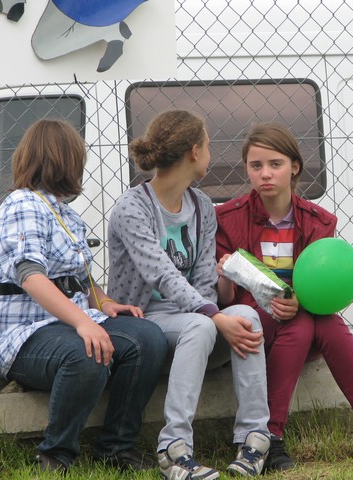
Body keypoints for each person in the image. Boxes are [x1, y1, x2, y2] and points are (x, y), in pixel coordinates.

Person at [0, 119, 168, 473]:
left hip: (66, 324)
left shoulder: (65, 212)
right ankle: (55, 454)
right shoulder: (23, 204)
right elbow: (31, 277)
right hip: (23, 333)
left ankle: (115, 447)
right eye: (78, 158)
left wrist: (106, 304)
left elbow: (82, 281)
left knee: (148, 338)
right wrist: (84, 323)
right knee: (87, 352)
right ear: (63, 160)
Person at [215, 122, 353, 470]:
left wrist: (299, 300)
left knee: (322, 323)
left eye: (275, 164)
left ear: (294, 167)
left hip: (304, 323)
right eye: (256, 166)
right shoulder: (227, 218)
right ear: (247, 169)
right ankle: (278, 434)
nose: (265, 174)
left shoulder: (318, 222)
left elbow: (322, 287)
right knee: (308, 324)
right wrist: (224, 273)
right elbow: (226, 300)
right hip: (253, 325)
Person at [107, 110, 271, 479]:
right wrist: (213, 316)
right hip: (145, 324)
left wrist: (215, 312)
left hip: (196, 322)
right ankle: (174, 449)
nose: (211, 153)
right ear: (194, 152)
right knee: (201, 325)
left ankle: (254, 440)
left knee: (248, 317)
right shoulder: (132, 207)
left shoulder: (201, 206)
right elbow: (161, 274)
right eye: (208, 145)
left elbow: (203, 280)